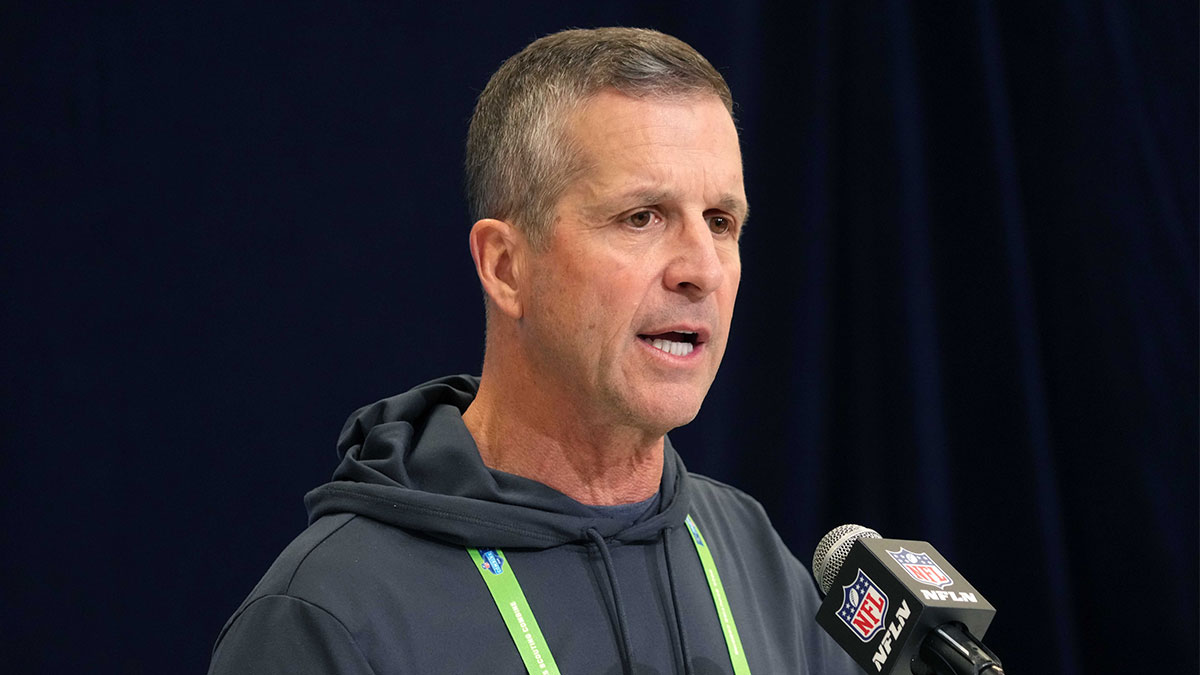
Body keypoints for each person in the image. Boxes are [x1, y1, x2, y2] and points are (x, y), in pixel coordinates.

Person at [208, 27, 858, 675]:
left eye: (721, 221)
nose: (702, 270)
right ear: (506, 266)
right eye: (643, 217)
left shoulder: (751, 553)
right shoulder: (328, 614)